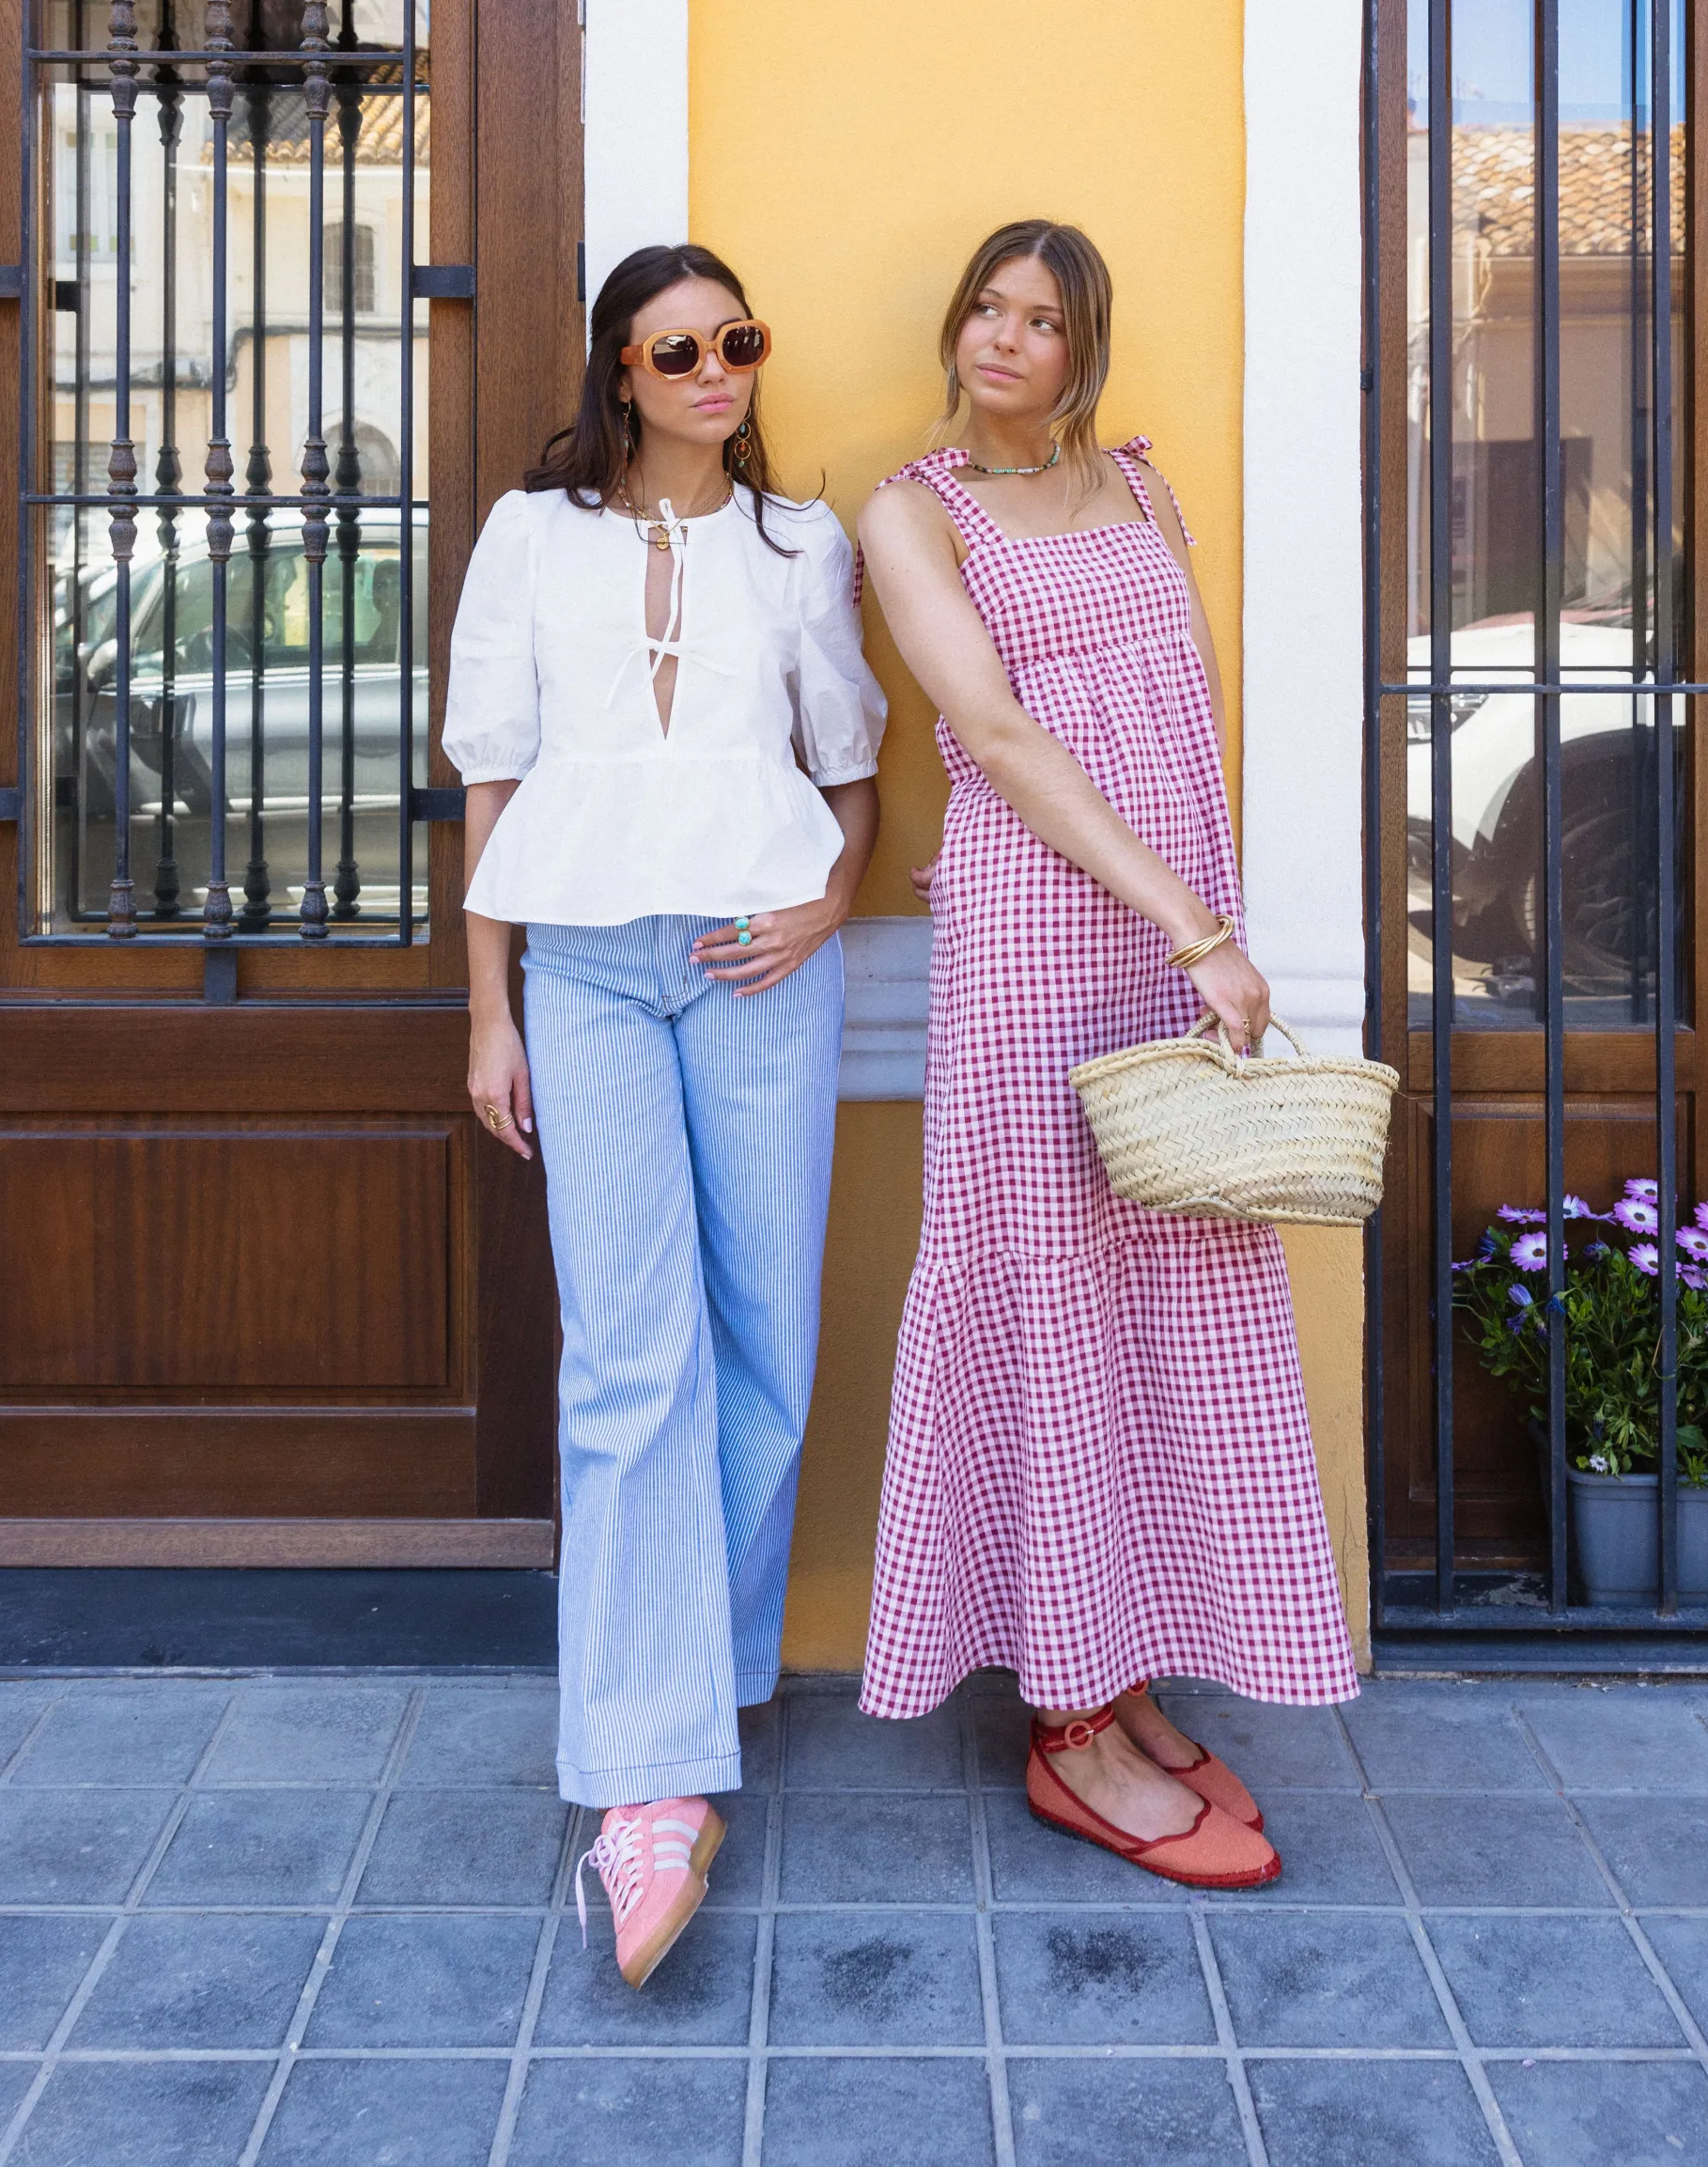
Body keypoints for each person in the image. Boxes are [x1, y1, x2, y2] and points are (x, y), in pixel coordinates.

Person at [857, 218, 1357, 1891]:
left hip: (1168, 924)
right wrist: (1192, 926)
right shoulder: (913, 513)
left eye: (1043, 320)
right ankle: (1066, 1728)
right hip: (1038, 936)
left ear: (1085, 351)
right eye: (985, 308)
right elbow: (995, 733)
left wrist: (1206, 916)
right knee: (1048, 1286)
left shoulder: (1144, 491)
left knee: (1164, 1283)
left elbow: (1187, 706)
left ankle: (1119, 1670)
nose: (1004, 339)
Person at [443, 243, 885, 1985]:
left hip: (762, 958)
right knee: (632, 1353)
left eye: (739, 342)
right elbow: (491, 769)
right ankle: (651, 1776)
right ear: (619, 372)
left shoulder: (801, 547)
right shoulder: (526, 534)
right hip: (588, 968)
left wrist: (830, 904)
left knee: (764, 1338)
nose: (717, 370)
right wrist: (488, 1006)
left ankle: (709, 1675)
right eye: (678, 348)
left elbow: (851, 768)